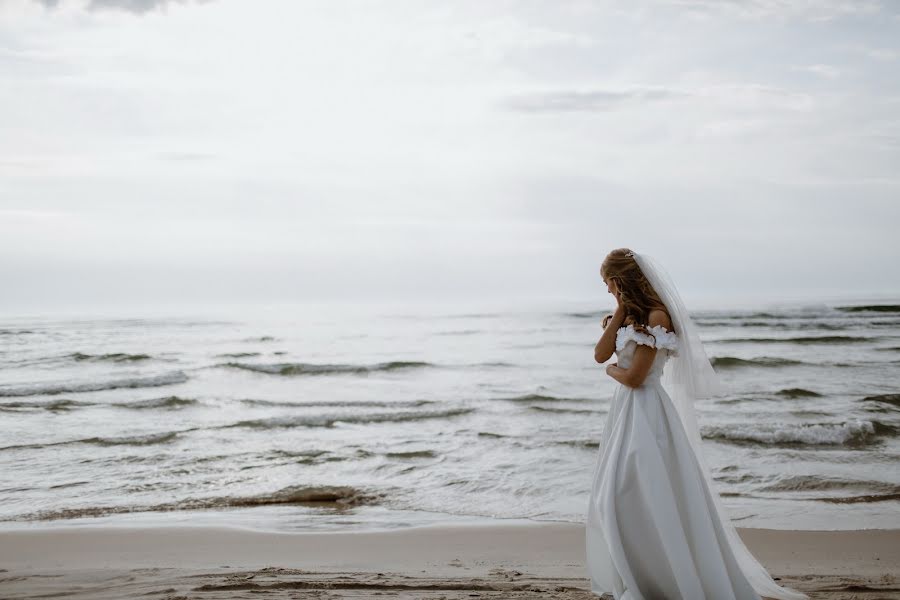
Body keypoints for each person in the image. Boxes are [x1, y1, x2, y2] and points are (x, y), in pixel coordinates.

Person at [585, 248, 809, 600]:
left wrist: (611, 370)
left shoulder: (657, 317)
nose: (607, 291)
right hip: (624, 413)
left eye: (607, 284)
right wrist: (619, 314)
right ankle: (638, 576)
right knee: (613, 494)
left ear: (618, 280)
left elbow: (635, 377)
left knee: (636, 494)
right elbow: (599, 352)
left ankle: (664, 579)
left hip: (647, 412)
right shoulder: (628, 318)